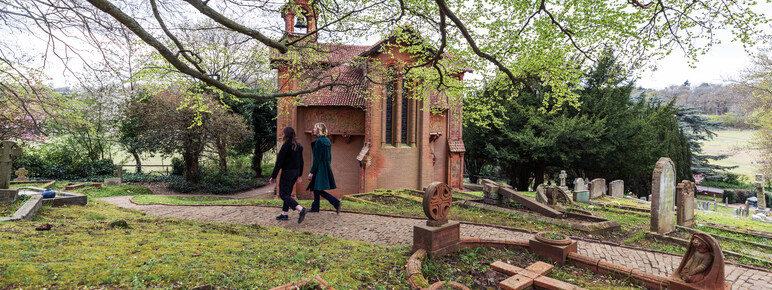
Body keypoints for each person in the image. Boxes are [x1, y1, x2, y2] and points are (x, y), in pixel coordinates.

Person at [270, 126, 308, 224]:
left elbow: (279, 162)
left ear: (285, 134)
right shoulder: (299, 146)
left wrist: (273, 176)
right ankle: (284, 213)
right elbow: (301, 162)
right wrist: (299, 175)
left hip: (287, 172)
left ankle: (301, 209)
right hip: (295, 172)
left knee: (283, 194)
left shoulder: (286, 146)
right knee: (287, 193)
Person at [307, 122, 341, 213]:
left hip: (319, 167)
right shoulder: (327, 141)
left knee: (318, 188)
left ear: (319, 130)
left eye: (315, 128)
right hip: (325, 166)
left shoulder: (318, 141)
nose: (313, 129)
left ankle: (336, 202)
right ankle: (315, 207)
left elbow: (317, 158)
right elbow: (329, 157)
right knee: (316, 187)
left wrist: (311, 172)